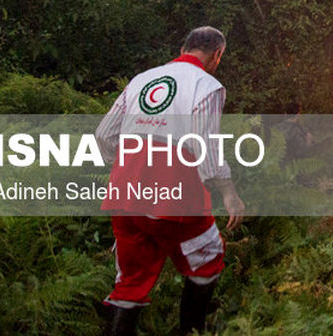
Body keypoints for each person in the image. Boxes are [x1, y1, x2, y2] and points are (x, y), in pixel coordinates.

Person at [94, 26, 245, 336]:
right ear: (217, 55)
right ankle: (192, 331)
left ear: (183, 46)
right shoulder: (207, 85)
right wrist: (228, 193)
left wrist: (126, 164)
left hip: (125, 191)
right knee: (208, 258)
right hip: (173, 193)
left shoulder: (141, 80)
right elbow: (205, 145)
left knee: (130, 281)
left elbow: (103, 135)